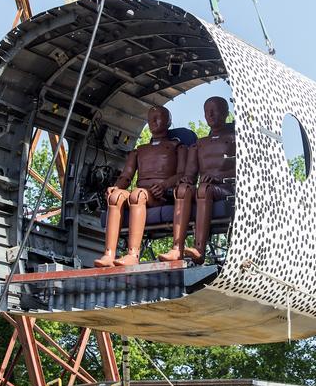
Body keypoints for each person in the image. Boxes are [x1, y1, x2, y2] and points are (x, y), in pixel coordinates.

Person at [95, 106, 186, 268]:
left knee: (137, 195)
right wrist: (115, 187)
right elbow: (126, 176)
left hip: (160, 195)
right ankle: (109, 254)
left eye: (158, 118)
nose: (153, 122)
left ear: (168, 122)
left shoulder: (177, 147)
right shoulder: (139, 151)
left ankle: (133, 254)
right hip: (140, 193)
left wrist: (165, 185)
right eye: (150, 118)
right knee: (116, 197)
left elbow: (182, 174)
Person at [164, 96, 236, 264]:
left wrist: (218, 177)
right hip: (206, 187)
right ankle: (177, 248)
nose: (210, 115)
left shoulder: (235, 139)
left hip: (227, 189)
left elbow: (242, 169)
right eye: (206, 112)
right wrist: (182, 182)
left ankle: (199, 248)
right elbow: (189, 174)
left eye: (214, 110)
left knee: (203, 189)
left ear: (225, 113)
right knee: (184, 190)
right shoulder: (199, 144)